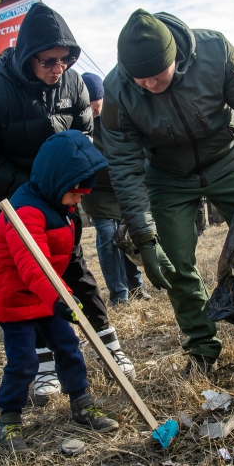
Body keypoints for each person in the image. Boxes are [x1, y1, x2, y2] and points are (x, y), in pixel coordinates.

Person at [0, 2, 134, 403]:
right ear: (27, 56)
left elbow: (82, 136)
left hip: (61, 202)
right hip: (15, 204)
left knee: (75, 269)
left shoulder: (74, 84)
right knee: (29, 282)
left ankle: (108, 344)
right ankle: (45, 367)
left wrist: (67, 183)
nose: (59, 68)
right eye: (48, 61)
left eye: (66, 59)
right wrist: (30, 193)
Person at [100, 8, 234, 376]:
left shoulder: (216, 52)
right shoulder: (117, 90)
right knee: (175, 261)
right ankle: (201, 346)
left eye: (156, 75)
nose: (149, 84)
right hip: (167, 175)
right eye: (141, 79)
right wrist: (145, 238)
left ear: (176, 58)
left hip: (227, 159)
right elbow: (124, 167)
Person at [0, 130, 119, 453]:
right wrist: (58, 298)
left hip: (45, 295)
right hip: (15, 297)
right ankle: (9, 421)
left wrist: (63, 297)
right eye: (75, 194)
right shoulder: (26, 212)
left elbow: (59, 261)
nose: (79, 201)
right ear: (58, 184)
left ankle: (82, 402)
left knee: (68, 344)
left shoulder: (61, 209)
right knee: (24, 361)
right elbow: (33, 265)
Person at [78, 72, 150, 307]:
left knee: (128, 234)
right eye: (89, 107)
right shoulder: (78, 121)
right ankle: (119, 294)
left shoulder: (118, 112)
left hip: (122, 184)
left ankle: (136, 286)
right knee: (109, 237)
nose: (94, 111)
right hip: (96, 189)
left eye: (97, 105)